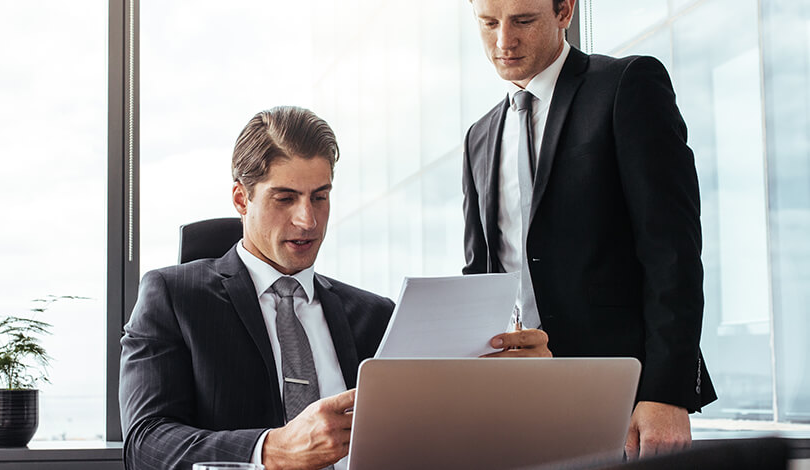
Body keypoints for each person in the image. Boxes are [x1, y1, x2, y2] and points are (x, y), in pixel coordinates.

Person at [120, 106, 551, 470]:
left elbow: (437, 431)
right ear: (240, 199)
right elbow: (144, 442)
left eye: (320, 197)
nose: (308, 221)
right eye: (285, 198)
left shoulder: (377, 315)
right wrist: (272, 450)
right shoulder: (174, 297)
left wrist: (512, 384)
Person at [461, 0, 717, 460]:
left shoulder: (627, 86)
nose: (504, 41)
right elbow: (480, 275)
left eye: (522, 20)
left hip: (622, 401)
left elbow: (672, 251)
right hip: (517, 403)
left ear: (564, 12)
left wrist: (666, 393)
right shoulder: (479, 137)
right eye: (489, 23)